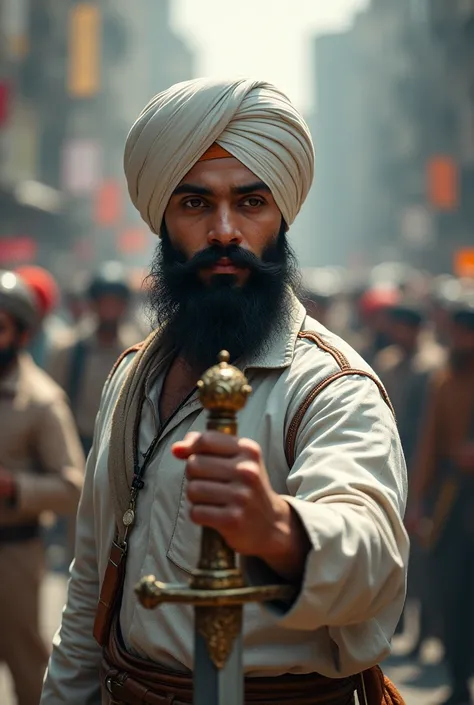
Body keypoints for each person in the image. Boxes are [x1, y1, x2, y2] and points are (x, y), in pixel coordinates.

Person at [41, 77, 408, 705]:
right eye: (194, 205)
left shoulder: (329, 386)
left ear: (281, 219)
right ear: (162, 221)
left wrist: (280, 530)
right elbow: (89, 591)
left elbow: (372, 553)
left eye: (250, 203)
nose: (224, 231)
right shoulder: (133, 377)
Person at [0, 270, 84, 705]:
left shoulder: (41, 400)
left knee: (26, 667)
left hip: (12, 555)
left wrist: (14, 487)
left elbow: (73, 486)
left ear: (22, 334)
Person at [410, 297, 474, 705]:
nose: (457, 339)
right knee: (452, 593)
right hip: (454, 502)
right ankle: (457, 680)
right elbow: (429, 445)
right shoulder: (444, 380)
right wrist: (417, 501)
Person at [374, 302, 445, 654]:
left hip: (424, 471)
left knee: (424, 560)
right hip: (391, 464)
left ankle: (428, 630)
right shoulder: (388, 362)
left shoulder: (432, 367)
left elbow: (429, 430)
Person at [47, 261, 139, 457]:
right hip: (76, 445)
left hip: (120, 449)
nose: (110, 308)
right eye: (105, 301)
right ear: (93, 304)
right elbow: (52, 403)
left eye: (115, 302)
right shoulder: (69, 348)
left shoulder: (137, 350)